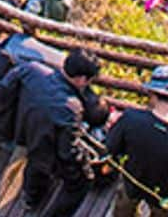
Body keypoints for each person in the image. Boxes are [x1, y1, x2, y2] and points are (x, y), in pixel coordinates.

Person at [12, 50, 107, 217]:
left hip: (26, 132)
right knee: (80, 184)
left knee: (34, 165)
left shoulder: (36, 72)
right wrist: (84, 164)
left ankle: (30, 198)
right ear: (82, 79)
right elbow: (67, 151)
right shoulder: (71, 108)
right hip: (48, 147)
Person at [105, 66, 168, 217]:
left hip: (132, 182)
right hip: (165, 194)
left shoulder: (130, 118)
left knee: (123, 210)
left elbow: (111, 147)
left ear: (152, 94)